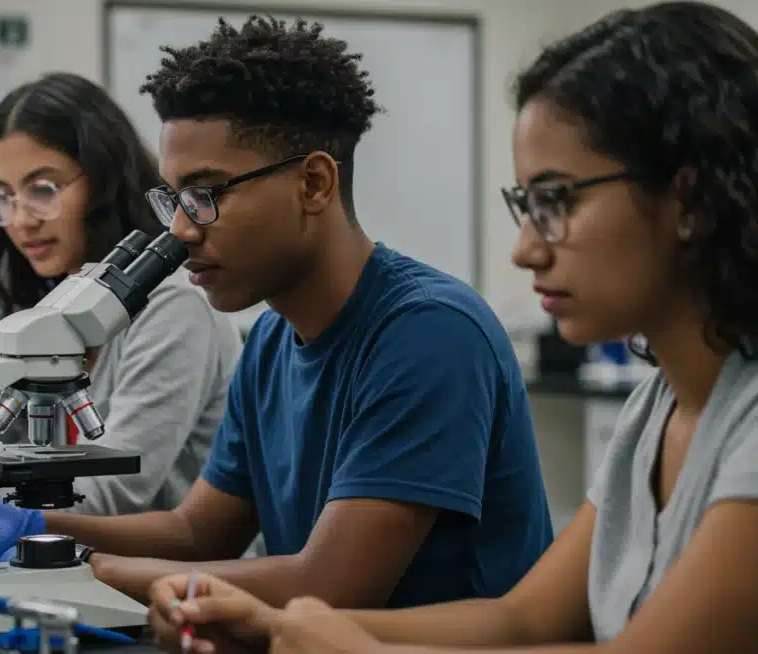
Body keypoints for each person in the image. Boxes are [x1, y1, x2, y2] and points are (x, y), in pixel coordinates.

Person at [146, 3, 758, 653]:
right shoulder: (655, 410)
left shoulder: (745, 422)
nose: (523, 250)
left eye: (557, 201)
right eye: (525, 205)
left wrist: (359, 648)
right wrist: (270, 624)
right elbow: (522, 621)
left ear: (688, 201)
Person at [0, 16, 552, 608]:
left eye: (207, 195)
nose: (180, 230)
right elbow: (198, 533)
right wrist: (24, 526)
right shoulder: (272, 339)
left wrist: (72, 568)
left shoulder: (430, 333)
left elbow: (331, 586)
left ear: (312, 184)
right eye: (173, 199)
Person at [0, 71, 241, 526]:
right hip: (62, 567)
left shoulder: (174, 307)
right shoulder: (42, 298)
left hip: (165, 583)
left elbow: (113, 492)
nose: (22, 220)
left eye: (43, 190)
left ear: (102, 180)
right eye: (3, 197)